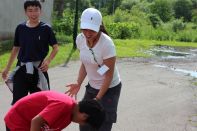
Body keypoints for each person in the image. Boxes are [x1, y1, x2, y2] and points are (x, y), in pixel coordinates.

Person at [66, 8, 122, 131]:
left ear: (99, 26)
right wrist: (78, 83)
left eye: (92, 29)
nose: (88, 33)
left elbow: (108, 75)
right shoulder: (80, 39)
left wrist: (97, 99)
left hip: (110, 88)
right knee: (84, 120)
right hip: (92, 86)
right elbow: (85, 64)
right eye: (85, 28)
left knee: (103, 122)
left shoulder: (107, 44)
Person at [1, 0, 58, 105]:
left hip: (39, 69)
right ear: (25, 12)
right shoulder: (20, 28)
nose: (33, 13)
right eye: (30, 10)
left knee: (40, 103)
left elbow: (55, 48)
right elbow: (15, 48)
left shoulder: (46, 29)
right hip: (22, 68)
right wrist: (7, 68)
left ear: (40, 11)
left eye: (36, 10)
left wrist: (48, 61)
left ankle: (37, 122)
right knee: (18, 102)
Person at [4, 91, 105, 131]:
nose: (81, 124)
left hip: (30, 123)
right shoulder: (63, 105)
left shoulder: (69, 116)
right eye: (84, 123)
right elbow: (36, 122)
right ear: (84, 116)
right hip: (17, 120)